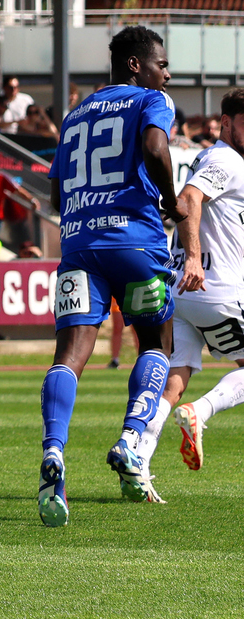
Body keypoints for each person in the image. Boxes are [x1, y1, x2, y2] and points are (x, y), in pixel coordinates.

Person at [38, 26, 196, 528]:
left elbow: (55, 197)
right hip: (135, 242)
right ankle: (131, 441)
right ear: (136, 64)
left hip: (80, 244)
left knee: (69, 356)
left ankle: (54, 452)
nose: (166, 74)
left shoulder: (74, 115)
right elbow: (154, 148)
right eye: (162, 64)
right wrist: (170, 201)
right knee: (157, 344)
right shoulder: (152, 99)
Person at [134, 89, 244, 491]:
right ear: (226, 122)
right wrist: (195, 257)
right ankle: (202, 411)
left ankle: (138, 460)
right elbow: (188, 198)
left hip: (181, 291)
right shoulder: (224, 159)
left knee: (174, 380)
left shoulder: (222, 161)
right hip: (211, 287)